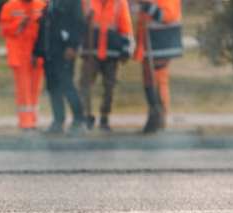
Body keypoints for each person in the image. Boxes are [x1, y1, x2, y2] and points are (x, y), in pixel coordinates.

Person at [78, 0, 132, 131]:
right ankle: (86, 116)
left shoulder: (119, 3)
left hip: (111, 53)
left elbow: (125, 28)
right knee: (85, 85)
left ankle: (104, 117)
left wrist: (126, 50)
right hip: (90, 51)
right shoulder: (86, 2)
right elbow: (77, 23)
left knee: (109, 87)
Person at [34, 0, 85, 134]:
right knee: (53, 88)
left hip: (64, 52)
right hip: (49, 53)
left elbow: (79, 24)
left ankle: (79, 121)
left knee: (67, 86)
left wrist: (72, 45)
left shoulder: (73, 3)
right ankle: (58, 121)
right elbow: (43, 29)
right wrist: (36, 52)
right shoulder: (48, 5)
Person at [134, 0, 182, 133]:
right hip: (149, 44)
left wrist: (149, 8)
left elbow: (168, 16)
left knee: (159, 80)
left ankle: (161, 116)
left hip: (162, 43)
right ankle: (154, 113)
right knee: (149, 80)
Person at [0, 0, 47, 131]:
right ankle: (25, 121)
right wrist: (19, 24)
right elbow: (4, 30)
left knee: (35, 89)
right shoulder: (9, 7)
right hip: (19, 56)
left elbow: (46, 31)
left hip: (37, 54)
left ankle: (33, 119)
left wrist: (39, 52)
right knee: (23, 89)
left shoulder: (41, 6)